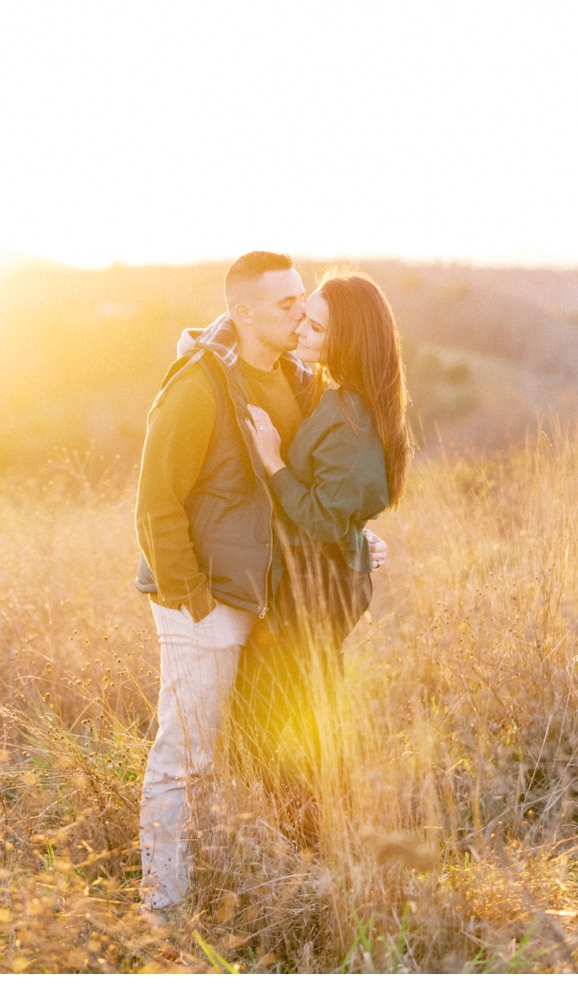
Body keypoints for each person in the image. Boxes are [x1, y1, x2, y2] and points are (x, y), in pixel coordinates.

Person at [132, 252, 387, 913]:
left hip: (275, 607)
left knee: (253, 753)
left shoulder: (301, 383)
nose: (300, 311)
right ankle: (162, 910)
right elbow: (155, 503)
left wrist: (352, 540)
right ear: (242, 312)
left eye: (302, 298)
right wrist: (190, 598)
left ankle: (247, 893)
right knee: (183, 758)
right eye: (284, 304)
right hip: (209, 602)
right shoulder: (199, 388)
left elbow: (308, 490)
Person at [236, 271, 412, 822]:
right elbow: (341, 509)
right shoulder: (336, 397)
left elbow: (319, 516)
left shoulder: (351, 415)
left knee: (270, 724)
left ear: (346, 340)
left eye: (315, 325)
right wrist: (358, 537)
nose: (301, 330)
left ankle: (311, 843)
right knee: (295, 717)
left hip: (316, 592)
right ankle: (314, 835)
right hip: (317, 584)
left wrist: (273, 461)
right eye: (301, 315)